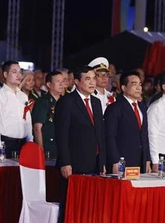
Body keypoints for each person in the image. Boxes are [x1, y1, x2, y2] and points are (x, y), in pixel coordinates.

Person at [54, 65, 106, 223]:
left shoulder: (96, 102)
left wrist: (103, 161)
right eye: (87, 79)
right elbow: (61, 134)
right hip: (74, 164)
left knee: (91, 205)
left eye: (93, 78)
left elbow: (100, 134)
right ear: (76, 82)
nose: (92, 82)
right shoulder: (67, 102)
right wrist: (65, 162)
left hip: (94, 163)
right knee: (72, 204)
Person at [104, 70, 151, 173]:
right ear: (124, 88)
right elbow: (109, 137)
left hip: (140, 161)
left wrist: (147, 159)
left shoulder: (142, 107)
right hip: (122, 161)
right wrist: (115, 161)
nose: (139, 87)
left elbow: (144, 135)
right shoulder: (115, 108)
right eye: (134, 84)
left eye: (140, 84)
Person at [0, 61, 33, 159]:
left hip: (23, 143)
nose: (18, 75)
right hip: (7, 142)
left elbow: (28, 119)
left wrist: (30, 140)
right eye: (14, 72)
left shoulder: (23, 96)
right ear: (5, 74)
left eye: (20, 72)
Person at [32, 71, 65, 159]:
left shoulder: (65, 101)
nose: (61, 84)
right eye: (58, 81)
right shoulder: (43, 102)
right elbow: (37, 127)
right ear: (49, 84)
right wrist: (40, 149)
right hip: (48, 146)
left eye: (63, 81)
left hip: (62, 147)